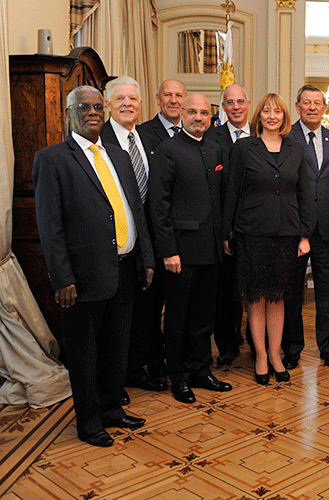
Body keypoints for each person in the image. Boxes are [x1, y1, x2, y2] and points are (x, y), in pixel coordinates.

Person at [33, 85, 154, 446]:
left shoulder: (117, 155)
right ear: (68, 112)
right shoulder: (52, 159)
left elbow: (136, 211)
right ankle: (88, 422)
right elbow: (49, 225)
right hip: (82, 278)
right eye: (83, 107)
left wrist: (145, 257)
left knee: (117, 346)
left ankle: (112, 407)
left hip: (125, 269)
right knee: (85, 353)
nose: (92, 113)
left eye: (98, 107)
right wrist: (61, 277)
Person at [223, 93, 312, 385]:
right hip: (251, 233)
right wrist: (227, 233)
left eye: (277, 111)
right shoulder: (244, 148)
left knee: (278, 297)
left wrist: (304, 235)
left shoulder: (296, 149)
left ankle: (276, 354)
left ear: (285, 117)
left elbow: (304, 194)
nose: (272, 116)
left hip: (287, 233)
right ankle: (260, 355)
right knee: (255, 296)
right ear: (258, 116)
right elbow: (232, 193)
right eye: (267, 111)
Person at [150, 93, 232, 404]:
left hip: (210, 250)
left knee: (203, 317)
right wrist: (169, 251)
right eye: (192, 112)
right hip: (180, 253)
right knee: (177, 318)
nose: (198, 117)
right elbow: (159, 206)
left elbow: (218, 201)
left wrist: (223, 239)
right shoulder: (168, 151)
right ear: (181, 114)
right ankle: (179, 376)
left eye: (203, 113)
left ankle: (201, 369)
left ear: (211, 118)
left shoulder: (214, 148)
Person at [101, 76, 168, 396]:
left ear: (141, 105)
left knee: (145, 309)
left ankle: (135, 367)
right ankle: (114, 375)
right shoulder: (99, 141)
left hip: (148, 239)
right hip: (114, 243)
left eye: (133, 99)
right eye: (120, 99)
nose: (128, 104)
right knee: (117, 313)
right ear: (107, 105)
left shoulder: (145, 139)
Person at [283, 85, 329, 369]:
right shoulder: (286, 138)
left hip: (328, 230)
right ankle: (292, 348)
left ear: (324, 108)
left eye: (317, 103)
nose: (312, 107)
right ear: (297, 107)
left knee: (328, 291)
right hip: (295, 230)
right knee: (293, 292)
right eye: (306, 103)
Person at [207, 83, 252, 366]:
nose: (235, 107)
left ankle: (252, 336)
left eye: (240, 101)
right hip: (223, 224)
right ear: (223, 107)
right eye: (230, 102)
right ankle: (227, 344)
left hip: (256, 225)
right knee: (225, 290)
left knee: (252, 287)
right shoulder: (212, 138)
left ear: (248, 104)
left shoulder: (263, 135)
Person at [137, 79, 186, 147]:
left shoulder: (194, 130)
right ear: (158, 99)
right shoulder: (142, 132)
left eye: (179, 95)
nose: (173, 101)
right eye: (167, 95)